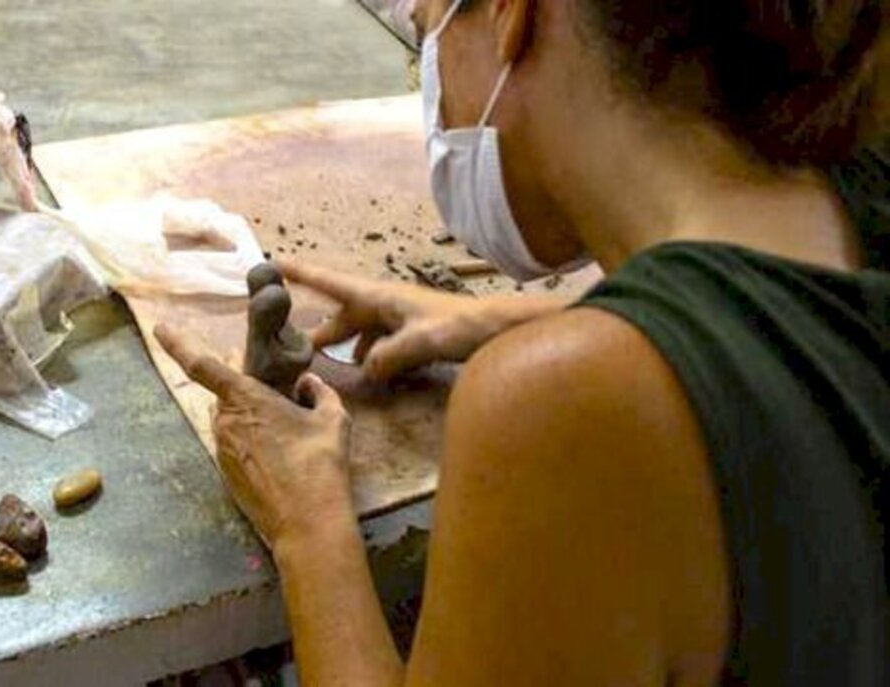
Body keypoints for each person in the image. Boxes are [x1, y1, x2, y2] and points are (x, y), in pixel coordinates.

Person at [156, 0, 889, 684]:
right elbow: (780, 349)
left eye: (426, 35)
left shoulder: (570, 413)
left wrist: (307, 523)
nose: (433, 87)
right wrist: (498, 319)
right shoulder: (859, 186)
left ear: (514, 14)